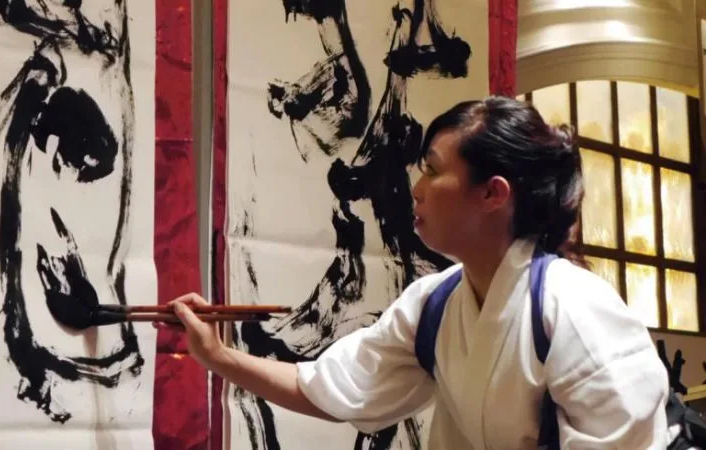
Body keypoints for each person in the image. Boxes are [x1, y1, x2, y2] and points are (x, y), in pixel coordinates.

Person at [161, 96, 671, 449]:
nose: (417, 188)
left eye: (432, 169)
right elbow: (332, 388)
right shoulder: (434, 304)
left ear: (492, 194)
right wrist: (218, 355)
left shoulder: (576, 309)